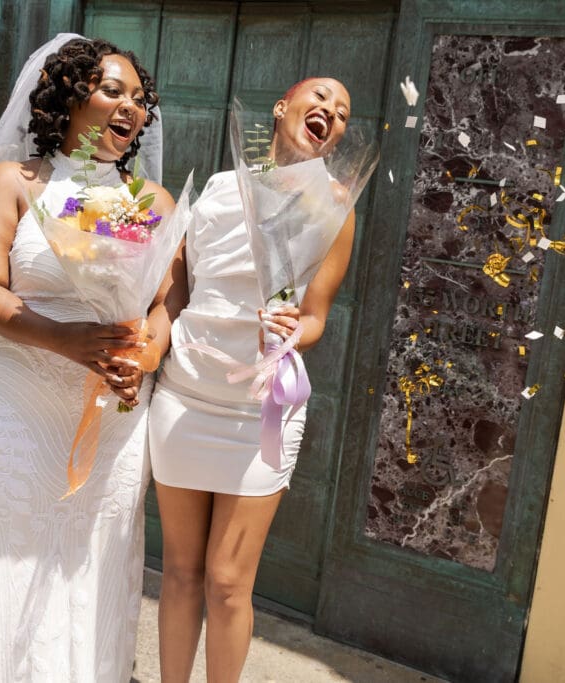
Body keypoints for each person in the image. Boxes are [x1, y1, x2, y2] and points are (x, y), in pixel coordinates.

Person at [0, 35, 175, 682]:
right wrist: (66, 340)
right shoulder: (13, 181)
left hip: (112, 415)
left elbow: (167, 304)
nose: (132, 107)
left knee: (93, 556)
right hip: (17, 398)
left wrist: (143, 354)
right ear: (69, 97)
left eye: (140, 99)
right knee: (11, 551)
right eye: (112, 90)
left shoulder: (154, 203)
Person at [149, 78, 357, 682]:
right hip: (185, 397)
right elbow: (181, 280)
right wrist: (156, 335)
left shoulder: (337, 204)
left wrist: (292, 329)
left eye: (342, 114)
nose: (331, 113)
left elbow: (316, 316)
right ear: (282, 109)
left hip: (259, 410)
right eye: (320, 99)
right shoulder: (218, 187)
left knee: (228, 583)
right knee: (181, 574)